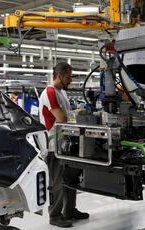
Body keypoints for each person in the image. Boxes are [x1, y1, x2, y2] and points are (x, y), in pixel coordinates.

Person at [39, 62, 89, 228]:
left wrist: (75, 114)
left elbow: (66, 116)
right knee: (57, 181)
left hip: (65, 143)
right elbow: (62, 118)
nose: (70, 81)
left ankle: (69, 210)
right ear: (59, 76)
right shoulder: (50, 92)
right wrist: (76, 114)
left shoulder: (62, 92)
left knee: (70, 179)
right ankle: (55, 215)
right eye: (68, 77)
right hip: (54, 145)